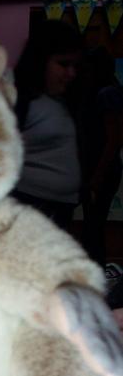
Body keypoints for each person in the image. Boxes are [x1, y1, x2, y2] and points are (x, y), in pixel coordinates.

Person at [12, 19, 83, 232]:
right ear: (40, 61)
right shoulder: (19, 101)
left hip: (60, 207)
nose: (71, 73)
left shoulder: (65, 101)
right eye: (63, 64)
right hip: (31, 206)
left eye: (75, 66)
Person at [78, 46, 123, 267]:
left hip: (101, 169)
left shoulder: (106, 94)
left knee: (93, 227)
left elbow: (114, 139)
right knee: (92, 226)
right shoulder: (104, 92)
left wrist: (97, 175)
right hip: (98, 168)